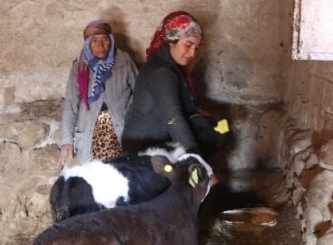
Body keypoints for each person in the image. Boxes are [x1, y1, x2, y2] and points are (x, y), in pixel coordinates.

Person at [121, 11, 227, 157]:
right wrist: (195, 157)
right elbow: (172, 119)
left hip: (156, 140)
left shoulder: (173, 66)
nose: (192, 54)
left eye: (196, 48)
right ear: (171, 41)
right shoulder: (161, 72)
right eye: (188, 45)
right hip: (145, 147)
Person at [60, 19, 138, 164]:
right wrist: (67, 141)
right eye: (94, 40)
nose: (100, 45)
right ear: (87, 44)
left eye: (105, 39)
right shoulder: (79, 68)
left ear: (111, 41)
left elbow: (140, 92)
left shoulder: (124, 60)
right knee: (96, 179)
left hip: (120, 130)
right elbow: (71, 105)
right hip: (90, 135)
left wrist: (129, 112)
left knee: (121, 173)